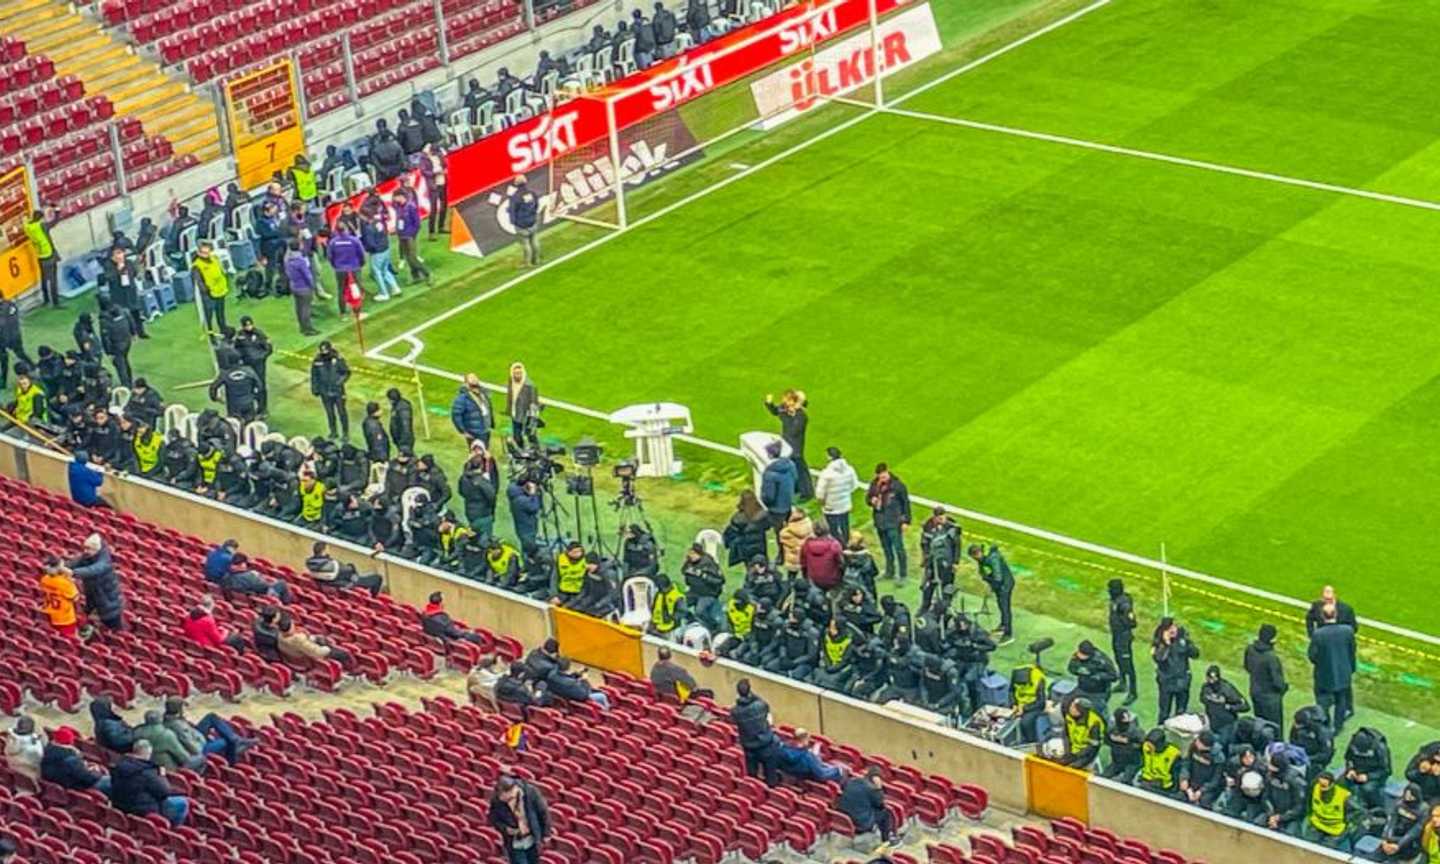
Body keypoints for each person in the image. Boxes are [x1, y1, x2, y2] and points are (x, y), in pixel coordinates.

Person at [110, 739, 190, 826]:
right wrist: (162, 776)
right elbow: (164, 792)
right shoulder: (147, 772)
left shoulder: (119, 766)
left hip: (122, 806)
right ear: (148, 754)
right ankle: (175, 828)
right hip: (143, 811)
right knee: (182, 802)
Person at [1309, 605, 1356, 732]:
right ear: (1336, 615)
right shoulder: (1347, 631)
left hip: (1323, 674)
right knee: (1341, 700)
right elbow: (1352, 651)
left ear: (1323, 617)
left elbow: (1312, 655)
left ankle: (1325, 724)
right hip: (1343, 673)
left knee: (1322, 702)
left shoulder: (1318, 634)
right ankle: (1338, 726)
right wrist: (1350, 668)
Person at [489, 774, 549, 864]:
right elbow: (494, 819)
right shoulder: (497, 800)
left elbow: (543, 813)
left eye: (508, 798)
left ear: (513, 790)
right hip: (514, 842)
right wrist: (505, 829)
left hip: (532, 837)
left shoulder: (531, 793)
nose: (505, 801)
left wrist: (545, 834)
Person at [763, 390, 811, 500]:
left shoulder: (801, 416)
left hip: (796, 446)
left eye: (787, 401)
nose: (784, 403)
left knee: (800, 469)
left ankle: (807, 492)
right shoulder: (786, 410)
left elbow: (794, 431)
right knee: (791, 468)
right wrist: (769, 403)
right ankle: (796, 488)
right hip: (786, 444)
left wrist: (787, 416)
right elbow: (776, 411)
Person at [732, 679, 781, 786]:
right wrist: (752, 695)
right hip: (765, 745)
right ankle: (771, 792)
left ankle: (756, 792)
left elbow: (732, 720)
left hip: (748, 747)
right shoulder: (759, 706)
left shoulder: (735, 711)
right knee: (770, 775)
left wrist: (740, 700)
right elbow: (765, 705)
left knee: (752, 776)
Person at [70, 533, 124, 630]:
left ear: (96, 549)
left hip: (108, 602)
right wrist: (62, 567)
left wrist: (73, 572)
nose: (85, 551)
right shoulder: (88, 556)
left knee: (113, 626)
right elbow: (76, 563)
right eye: (85, 548)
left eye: (88, 549)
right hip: (93, 595)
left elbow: (94, 569)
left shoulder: (104, 562)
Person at [867, 463, 910, 582]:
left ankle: (903, 574)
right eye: (880, 477)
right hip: (880, 522)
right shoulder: (874, 484)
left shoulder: (898, 486)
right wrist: (872, 500)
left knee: (899, 548)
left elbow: (906, 503)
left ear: (887, 472)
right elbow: (868, 499)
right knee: (886, 548)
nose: (882, 479)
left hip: (894, 522)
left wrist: (906, 520)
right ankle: (889, 571)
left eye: (884, 476)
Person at [1243, 623, 1288, 736]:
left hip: (1255, 692)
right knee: (1275, 728)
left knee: (1260, 724)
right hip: (1270, 698)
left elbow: (1247, 667)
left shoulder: (1250, 649)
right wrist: (1284, 687)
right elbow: (1277, 682)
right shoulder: (1271, 658)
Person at [1152, 618, 1199, 722]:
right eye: (1169, 629)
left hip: (1182, 680)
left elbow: (1195, 654)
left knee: (1181, 712)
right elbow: (1159, 658)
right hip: (1167, 682)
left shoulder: (1182, 638)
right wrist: (1166, 644)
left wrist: (1188, 644)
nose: (1172, 630)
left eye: (1173, 627)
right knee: (1164, 712)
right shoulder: (1158, 641)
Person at [40, 726, 109, 793]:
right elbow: (87, 778)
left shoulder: (47, 750)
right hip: (75, 786)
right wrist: (96, 772)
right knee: (110, 781)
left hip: (59, 782)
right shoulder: (70, 759)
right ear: (70, 742)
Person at [969, 543, 1014, 643]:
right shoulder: (985, 560)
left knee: (1004, 608)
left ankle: (1008, 634)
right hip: (1002, 585)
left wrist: (988, 579)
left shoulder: (992, 560)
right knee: (1001, 606)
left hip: (1005, 586)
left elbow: (998, 578)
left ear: (977, 554)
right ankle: (1003, 625)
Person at [838, 768, 897, 845]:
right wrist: (879, 788)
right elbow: (880, 805)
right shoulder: (871, 789)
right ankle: (887, 839)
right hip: (860, 825)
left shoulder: (852, 781)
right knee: (886, 813)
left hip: (844, 820)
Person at [1306, 770, 1362, 850]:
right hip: (1317, 824)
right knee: (1307, 846)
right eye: (1320, 784)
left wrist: (1346, 820)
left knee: (1326, 850)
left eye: (1324, 786)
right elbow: (1309, 802)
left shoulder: (1343, 796)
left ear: (1332, 784)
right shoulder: (1314, 787)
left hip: (1335, 829)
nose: (1322, 788)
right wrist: (1310, 814)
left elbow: (1358, 811)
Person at [813, 446, 859, 542]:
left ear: (829, 457)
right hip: (845, 504)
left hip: (831, 507)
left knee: (833, 530)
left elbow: (820, 494)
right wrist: (844, 493)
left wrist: (823, 502)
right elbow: (854, 485)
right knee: (845, 525)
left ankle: (838, 547)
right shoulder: (850, 469)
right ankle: (846, 544)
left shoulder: (826, 473)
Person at [305, 541, 384, 596]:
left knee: (350, 565)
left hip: (328, 583)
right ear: (324, 551)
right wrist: (353, 571)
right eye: (327, 549)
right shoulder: (333, 565)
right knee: (377, 578)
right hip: (343, 584)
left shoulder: (310, 564)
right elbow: (350, 574)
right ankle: (374, 598)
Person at [277, 611, 353, 667]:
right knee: (344, 654)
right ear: (290, 627)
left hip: (295, 652)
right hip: (306, 658)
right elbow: (317, 652)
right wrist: (327, 649)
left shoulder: (280, 635)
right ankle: (348, 668)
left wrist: (313, 638)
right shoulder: (298, 640)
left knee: (321, 639)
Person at [1341, 726, 1392, 809]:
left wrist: (1368, 777)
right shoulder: (1354, 742)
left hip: (1374, 776)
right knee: (1343, 782)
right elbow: (1348, 758)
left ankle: (1375, 809)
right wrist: (1350, 769)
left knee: (1367, 789)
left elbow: (1387, 771)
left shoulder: (1381, 748)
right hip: (1356, 772)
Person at [759, 441, 796, 551]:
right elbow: (796, 479)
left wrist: (765, 501)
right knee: (791, 530)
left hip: (776, 509)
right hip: (788, 502)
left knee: (779, 533)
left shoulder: (770, 473)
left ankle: (782, 554)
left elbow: (769, 496)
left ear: (770, 454)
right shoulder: (790, 465)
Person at [680, 542, 725, 632]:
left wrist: (704, 576)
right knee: (681, 605)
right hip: (694, 591)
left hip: (707, 593)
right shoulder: (689, 562)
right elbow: (683, 570)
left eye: (693, 554)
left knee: (699, 611)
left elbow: (720, 580)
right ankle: (692, 620)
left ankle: (713, 626)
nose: (691, 556)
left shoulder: (709, 564)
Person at [233, 317, 273, 416]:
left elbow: (268, 348)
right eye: (246, 325)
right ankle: (249, 409)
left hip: (259, 365)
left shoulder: (259, 334)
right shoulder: (240, 336)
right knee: (249, 386)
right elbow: (236, 349)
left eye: (250, 324)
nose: (249, 327)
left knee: (261, 386)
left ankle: (263, 408)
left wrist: (261, 357)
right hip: (247, 365)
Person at [311, 341, 350, 440]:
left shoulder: (337, 359)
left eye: (326, 350)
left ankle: (345, 433)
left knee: (342, 413)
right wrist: (315, 388)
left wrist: (339, 382)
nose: (324, 352)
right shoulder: (317, 361)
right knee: (330, 413)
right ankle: (333, 432)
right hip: (325, 391)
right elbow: (314, 376)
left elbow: (346, 372)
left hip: (338, 391)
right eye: (322, 350)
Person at [1068, 640, 1119, 717]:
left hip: (1099, 692)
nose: (1079, 655)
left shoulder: (1102, 660)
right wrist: (1081, 671)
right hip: (1082, 688)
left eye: (1082, 654)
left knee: (1095, 713)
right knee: (1071, 705)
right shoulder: (1077, 656)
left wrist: (1098, 676)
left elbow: (1114, 676)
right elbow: (1071, 668)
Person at [23, 208, 61, 307]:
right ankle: (55, 302)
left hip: (40, 255)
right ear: (41, 218)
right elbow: (54, 222)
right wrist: (57, 211)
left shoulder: (28, 227)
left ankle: (46, 300)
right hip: (48, 254)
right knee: (53, 279)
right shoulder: (41, 226)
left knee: (44, 279)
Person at [190, 241, 229, 336]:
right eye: (203, 252)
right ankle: (210, 334)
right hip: (209, 294)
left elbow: (221, 271)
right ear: (199, 252)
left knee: (221, 314)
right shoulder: (197, 266)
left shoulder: (214, 258)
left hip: (220, 290)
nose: (206, 254)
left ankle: (224, 330)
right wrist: (205, 291)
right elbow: (198, 282)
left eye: (208, 251)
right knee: (208, 316)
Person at [181, 595, 247, 651]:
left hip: (194, 642)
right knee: (237, 637)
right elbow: (218, 640)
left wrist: (219, 630)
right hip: (206, 646)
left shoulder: (189, 615)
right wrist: (226, 632)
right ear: (211, 605)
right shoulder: (208, 620)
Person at [723, 489, 770, 567]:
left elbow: (732, 531)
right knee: (763, 566)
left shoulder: (739, 518)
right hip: (760, 546)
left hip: (746, 548)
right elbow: (767, 527)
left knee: (750, 569)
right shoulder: (763, 515)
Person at [778, 729, 844, 782]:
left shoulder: (782, 748)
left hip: (792, 776)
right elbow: (821, 774)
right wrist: (815, 756)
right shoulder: (807, 757)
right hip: (804, 776)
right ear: (805, 741)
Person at [38, 555, 80, 639]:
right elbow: (75, 598)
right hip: (65, 618)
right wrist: (70, 580)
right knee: (69, 641)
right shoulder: (64, 583)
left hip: (50, 614)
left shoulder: (44, 579)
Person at [421, 591, 487, 644]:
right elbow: (454, 633)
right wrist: (467, 632)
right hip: (446, 641)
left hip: (434, 640)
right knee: (474, 636)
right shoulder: (442, 617)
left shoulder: (424, 613)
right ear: (440, 603)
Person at [327, 225, 367, 314]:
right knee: (356, 289)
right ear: (347, 230)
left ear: (337, 231)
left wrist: (336, 266)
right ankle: (357, 312)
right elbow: (361, 254)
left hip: (340, 270)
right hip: (354, 268)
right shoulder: (354, 240)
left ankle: (343, 313)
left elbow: (330, 257)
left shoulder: (333, 242)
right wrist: (361, 264)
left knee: (341, 290)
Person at [545, 658, 610, 711]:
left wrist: (576, 674)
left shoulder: (551, 675)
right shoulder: (571, 683)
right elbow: (584, 695)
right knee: (602, 696)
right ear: (567, 668)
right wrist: (584, 680)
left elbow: (563, 677)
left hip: (563, 695)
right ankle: (606, 711)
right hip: (575, 699)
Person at [1058, 697, 1105, 770]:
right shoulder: (1069, 716)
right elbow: (1066, 736)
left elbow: (1093, 746)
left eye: (1073, 707)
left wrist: (1076, 755)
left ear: (1080, 711)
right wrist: (1068, 752)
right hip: (1072, 749)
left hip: (1085, 753)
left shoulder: (1094, 723)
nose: (1070, 708)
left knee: (1072, 768)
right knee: (1059, 762)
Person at [283, 240, 318, 335]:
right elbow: (307, 275)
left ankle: (302, 327)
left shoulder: (287, 260)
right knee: (306, 308)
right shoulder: (300, 261)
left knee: (298, 308)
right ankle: (308, 329)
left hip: (294, 286)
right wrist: (312, 286)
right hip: (304, 287)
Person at [451, 373, 495, 447]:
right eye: (471, 378)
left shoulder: (483, 393)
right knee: (477, 455)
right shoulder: (462, 398)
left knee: (485, 452)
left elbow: (489, 409)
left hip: (485, 429)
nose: (474, 379)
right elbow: (456, 415)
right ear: (466, 383)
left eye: (475, 377)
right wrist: (463, 431)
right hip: (473, 432)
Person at [1101, 708, 1143, 782]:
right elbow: (1105, 740)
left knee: (1125, 781)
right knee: (1102, 778)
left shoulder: (1136, 731)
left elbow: (1142, 746)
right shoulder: (1112, 729)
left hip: (1132, 763)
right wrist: (1113, 740)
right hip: (1117, 762)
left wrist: (1128, 742)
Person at [1135, 728, 1181, 796]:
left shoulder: (1173, 753)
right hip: (1145, 778)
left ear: (1159, 744)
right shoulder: (1145, 746)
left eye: (1151, 744)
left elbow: (1176, 775)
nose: (1148, 746)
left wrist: (1174, 791)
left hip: (1162, 785)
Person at [0, 296, 33, 390]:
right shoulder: (11, 304)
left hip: (4, 338)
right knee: (20, 354)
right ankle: (33, 367)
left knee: (4, 360)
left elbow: (2, 325)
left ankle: (3, 381)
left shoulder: (3, 309)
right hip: (15, 335)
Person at [508, 176, 540, 267]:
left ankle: (528, 262)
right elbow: (537, 205)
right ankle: (536, 259)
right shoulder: (532, 193)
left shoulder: (515, 197)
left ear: (516, 184)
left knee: (525, 243)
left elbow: (512, 210)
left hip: (521, 224)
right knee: (534, 240)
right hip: (532, 221)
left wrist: (513, 222)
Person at [505, 362, 539, 443]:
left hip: (526, 416)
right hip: (515, 414)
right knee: (517, 437)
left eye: (519, 373)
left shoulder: (530, 385)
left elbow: (534, 403)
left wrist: (532, 419)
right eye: (515, 373)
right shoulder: (511, 382)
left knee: (530, 436)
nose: (518, 375)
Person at [4, 716, 43, 783]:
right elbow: (39, 762)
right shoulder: (33, 749)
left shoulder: (11, 739)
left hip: (14, 771)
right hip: (31, 779)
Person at [507, 478, 541, 554]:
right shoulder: (521, 500)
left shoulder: (513, 493)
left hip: (522, 529)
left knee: (525, 548)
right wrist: (533, 494)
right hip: (527, 529)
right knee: (529, 551)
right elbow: (534, 507)